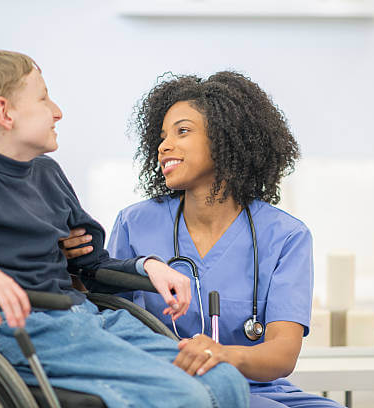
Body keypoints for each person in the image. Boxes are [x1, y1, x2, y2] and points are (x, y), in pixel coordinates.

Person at [0, 49, 249, 408]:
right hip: (19, 330)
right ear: (4, 112)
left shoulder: (48, 174)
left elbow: (91, 266)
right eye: (43, 98)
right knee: (182, 395)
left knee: (224, 378)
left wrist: (147, 266)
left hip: (82, 318)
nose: (57, 111)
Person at [63, 72, 344, 407]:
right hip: (173, 388)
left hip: (257, 387)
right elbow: (107, 314)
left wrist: (223, 355)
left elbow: (282, 354)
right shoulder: (136, 223)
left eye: (182, 131)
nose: (163, 146)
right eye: (162, 136)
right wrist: (71, 267)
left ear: (226, 138)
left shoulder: (286, 236)